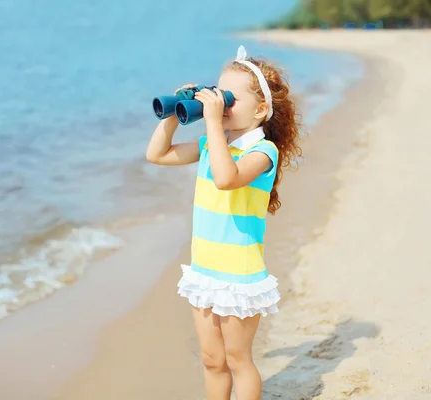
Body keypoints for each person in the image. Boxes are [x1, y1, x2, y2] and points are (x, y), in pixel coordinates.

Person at [145, 45, 302, 400]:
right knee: (212, 359)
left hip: (238, 276)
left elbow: (226, 178)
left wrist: (214, 123)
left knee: (237, 359)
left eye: (229, 100)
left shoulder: (263, 153)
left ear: (261, 110)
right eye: (218, 96)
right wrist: (175, 113)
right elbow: (157, 155)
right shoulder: (210, 145)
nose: (221, 105)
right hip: (205, 270)